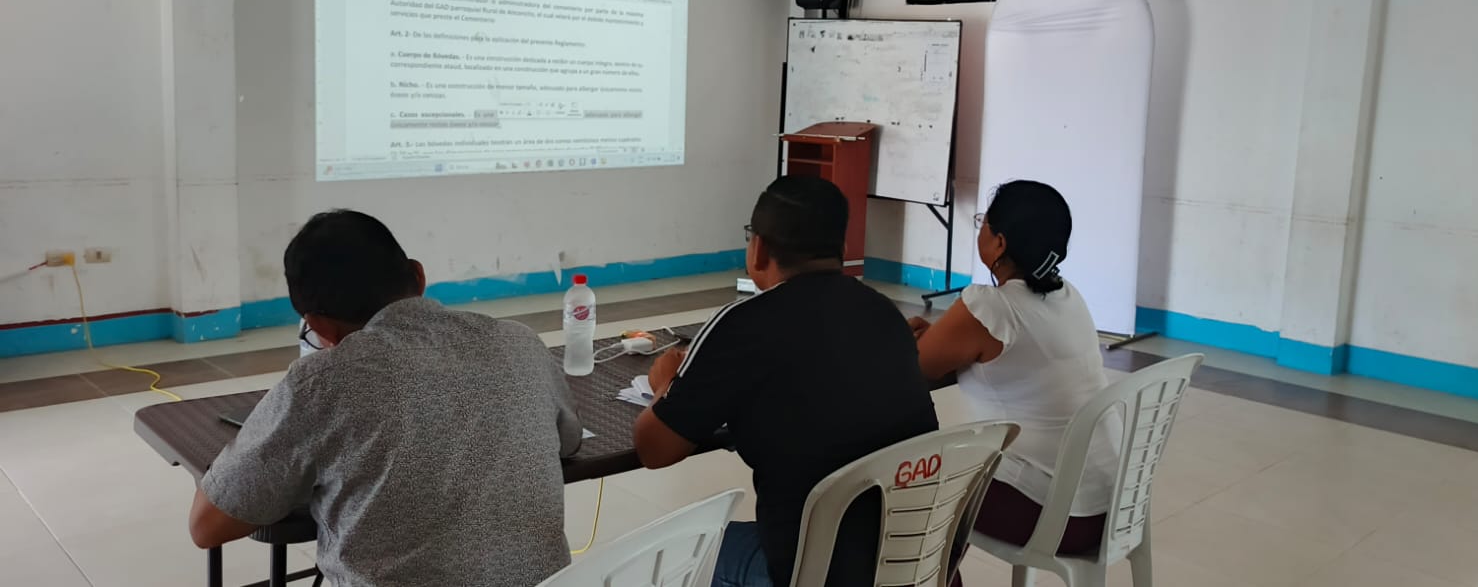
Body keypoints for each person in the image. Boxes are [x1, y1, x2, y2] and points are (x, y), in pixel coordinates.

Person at [189, 210, 583, 587]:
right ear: (418, 275)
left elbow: (207, 526)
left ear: (317, 325)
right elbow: (568, 441)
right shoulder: (519, 343)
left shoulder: (322, 382)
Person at [633, 176, 938, 587]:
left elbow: (654, 449)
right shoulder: (884, 313)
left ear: (758, 249)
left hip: (809, 572)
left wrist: (665, 384)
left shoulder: (741, 324)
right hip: (911, 559)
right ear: (842, 247)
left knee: (676, 555)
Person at [909, 181, 1119, 571]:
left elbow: (912, 369)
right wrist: (944, 340)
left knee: (909, 491)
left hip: (1056, 515)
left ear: (1000, 243)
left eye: (982, 223)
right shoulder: (1067, 295)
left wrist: (906, 339)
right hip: (1110, 505)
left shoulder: (992, 307)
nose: (980, 231)